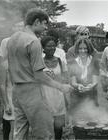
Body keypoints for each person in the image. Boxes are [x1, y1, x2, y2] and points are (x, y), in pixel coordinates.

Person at [7, 8, 71, 139]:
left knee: (20, 131)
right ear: (36, 22)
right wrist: (61, 87)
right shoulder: (33, 41)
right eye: (44, 24)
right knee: (44, 133)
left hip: (16, 90)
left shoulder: (12, 39)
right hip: (32, 92)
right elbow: (39, 75)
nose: (45, 28)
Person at [41, 36, 69, 140]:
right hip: (44, 98)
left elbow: (66, 80)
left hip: (59, 99)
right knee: (46, 129)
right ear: (43, 47)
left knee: (58, 128)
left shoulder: (61, 61)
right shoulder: (39, 62)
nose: (52, 48)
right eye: (48, 46)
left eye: (53, 46)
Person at [69, 38, 99, 114]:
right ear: (77, 49)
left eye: (85, 48)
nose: (83, 51)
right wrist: (78, 85)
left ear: (89, 49)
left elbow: (95, 81)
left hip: (91, 96)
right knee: (77, 121)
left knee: (92, 120)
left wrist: (91, 86)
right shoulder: (73, 62)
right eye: (80, 49)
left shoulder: (94, 61)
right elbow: (73, 82)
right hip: (77, 97)